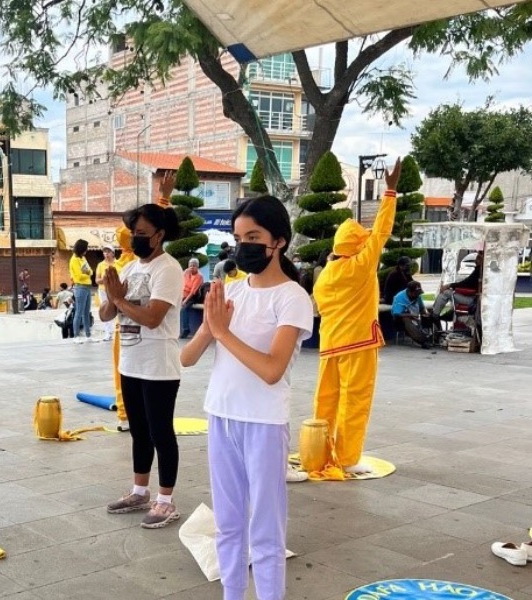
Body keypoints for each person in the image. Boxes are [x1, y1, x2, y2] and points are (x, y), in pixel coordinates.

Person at [181, 196, 313, 600]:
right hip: (221, 415)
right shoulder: (232, 291)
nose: (244, 246)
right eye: (239, 238)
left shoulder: (292, 297)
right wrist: (210, 327)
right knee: (229, 523)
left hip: (264, 422)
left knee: (266, 530)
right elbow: (186, 358)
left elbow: (273, 369)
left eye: (253, 237)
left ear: (279, 242)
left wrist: (223, 333)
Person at [312, 158, 401, 477]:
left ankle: (316, 453)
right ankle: (348, 457)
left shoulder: (325, 274)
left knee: (326, 402)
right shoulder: (361, 265)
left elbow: (320, 308)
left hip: (329, 346)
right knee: (355, 400)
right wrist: (390, 193)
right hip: (358, 344)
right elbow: (382, 231)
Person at [100, 204, 184, 529]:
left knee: (160, 432)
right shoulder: (131, 268)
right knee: (138, 432)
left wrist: (120, 300)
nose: (136, 239)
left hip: (159, 366)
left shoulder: (169, 269)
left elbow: (152, 317)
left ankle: (166, 500)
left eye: (142, 234)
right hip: (131, 363)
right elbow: (106, 316)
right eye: (134, 233)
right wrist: (112, 298)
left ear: (160, 235)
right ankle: (139, 490)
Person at [111, 224, 137, 432]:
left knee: (121, 370)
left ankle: (124, 415)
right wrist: (164, 200)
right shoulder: (139, 264)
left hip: (123, 326)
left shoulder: (118, 266)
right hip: (138, 324)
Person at [432, 251, 483, 318]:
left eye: (478, 257)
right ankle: (444, 312)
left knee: (445, 293)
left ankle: (434, 315)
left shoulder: (479, 271)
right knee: (446, 294)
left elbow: (465, 283)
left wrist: (449, 285)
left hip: (473, 299)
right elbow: (466, 283)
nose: (476, 260)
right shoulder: (480, 270)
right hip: (473, 298)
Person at [391, 281, 433, 349]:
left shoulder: (417, 297)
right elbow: (396, 314)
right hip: (400, 320)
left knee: (430, 315)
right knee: (406, 319)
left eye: (418, 293)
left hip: (414, 318)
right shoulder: (399, 298)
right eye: (415, 293)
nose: (417, 295)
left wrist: (425, 314)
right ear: (409, 291)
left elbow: (421, 308)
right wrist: (410, 315)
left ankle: (435, 337)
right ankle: (423, 341)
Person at [69, 239, 93, 343]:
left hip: (88, 287)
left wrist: (87, 272)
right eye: (85, 248)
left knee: (86, 312)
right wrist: (86, 273)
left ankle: (88, 335)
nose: (87, 250)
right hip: (80, 287)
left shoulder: (83, 258)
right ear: (81, 249)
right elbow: (78, 276)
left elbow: (91, 271)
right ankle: (76, 336)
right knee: (79, 312)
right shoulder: (74, 260)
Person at [95, 245, 117, 341]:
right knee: (106, 310)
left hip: (115, 290)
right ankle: (108, 333)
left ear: (113, 253)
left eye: (108, 251)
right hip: (103, 290)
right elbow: (97, 280)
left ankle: (117, 331)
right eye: (104, 252)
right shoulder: (100, 265)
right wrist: (105, 280)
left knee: (118, 310)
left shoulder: (118, 263)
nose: (106, 254)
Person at [180, 258, 204, 339]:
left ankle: (186, 330)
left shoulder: (199, 276)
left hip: (193, 297)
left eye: (194, 266)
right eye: (190, 266)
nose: (192, 267)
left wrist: (184, 301)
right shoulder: (187, 273)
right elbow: (181, 283)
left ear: (197, 267)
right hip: (184, 295)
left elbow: (193, 292)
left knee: (184, 309)